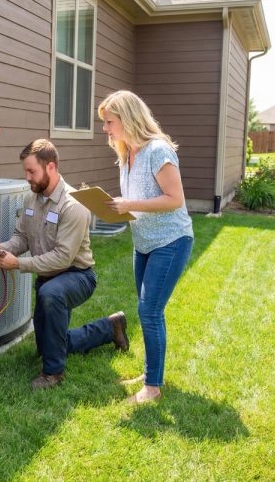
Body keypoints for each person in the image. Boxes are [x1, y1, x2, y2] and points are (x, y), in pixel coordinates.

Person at [0, 138, 129, 390]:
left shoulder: (74, 205)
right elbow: (22, 237)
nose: (27, 177)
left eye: (31, 171)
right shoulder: (31, 200)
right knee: (48, 345)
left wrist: (18, 264)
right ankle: (109, 327)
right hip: (49, 278)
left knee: (50, 295)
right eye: (25, 171)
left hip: (78, 276)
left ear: (50, 167)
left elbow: (63, 257)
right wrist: (1, 249)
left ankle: (54, 373)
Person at [98, 90, 194, 404]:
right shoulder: (127, 154)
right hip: (144, 243)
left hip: (171, 240)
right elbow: (139, 202)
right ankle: (152, 374)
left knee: (149, 310)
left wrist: (130, 203)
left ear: (127, 118)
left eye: (109, 122)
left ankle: (152, 388)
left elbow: (174, 199)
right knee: (149, 311)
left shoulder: (158, 150)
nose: (106, 129)